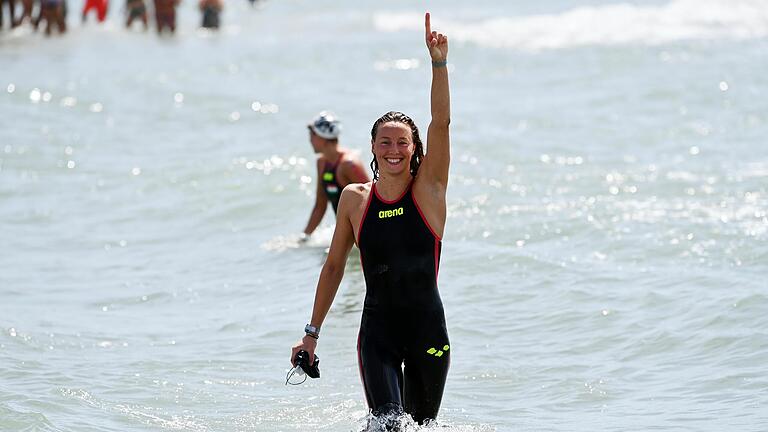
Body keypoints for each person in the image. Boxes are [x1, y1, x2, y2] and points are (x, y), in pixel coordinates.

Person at [290, 12, 452, 426]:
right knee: (387, 425)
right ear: (374, 149)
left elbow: (441, 123)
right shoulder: (354, 199)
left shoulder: (429, 191)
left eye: (402, 142)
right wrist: (311, 333)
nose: (393, 149)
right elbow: (332, 267)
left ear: (414, 148)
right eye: (385, 142)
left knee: (421, 425)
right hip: (377, 335)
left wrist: (438, 65)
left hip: (428, 334)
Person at [301, 111, 370, 239]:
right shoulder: (322, 163)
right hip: (347, 235)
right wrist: (304, 237)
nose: (310, 139)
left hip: (365, 235)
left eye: (312, 134)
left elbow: (373, 199)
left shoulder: (349, 164)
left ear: (322, 138)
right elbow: (320, 205)